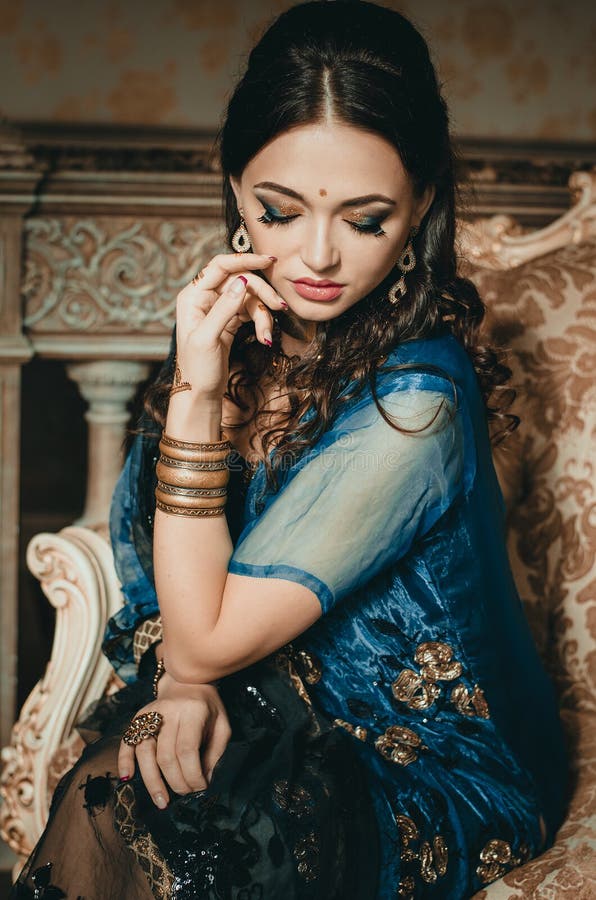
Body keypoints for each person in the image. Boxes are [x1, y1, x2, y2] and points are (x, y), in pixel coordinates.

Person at [11, 2, 569, 898]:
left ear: (420, 203)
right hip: (260, 696)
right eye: (278, 209)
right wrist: (181, 682)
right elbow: (161, 590)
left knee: (162, 812)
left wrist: (196, 399)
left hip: (423, 763)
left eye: (365, 220)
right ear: (235, 187)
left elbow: (210, 633)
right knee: (118, 784)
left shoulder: (415, 402)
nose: (316, 256)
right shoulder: (230, 332)